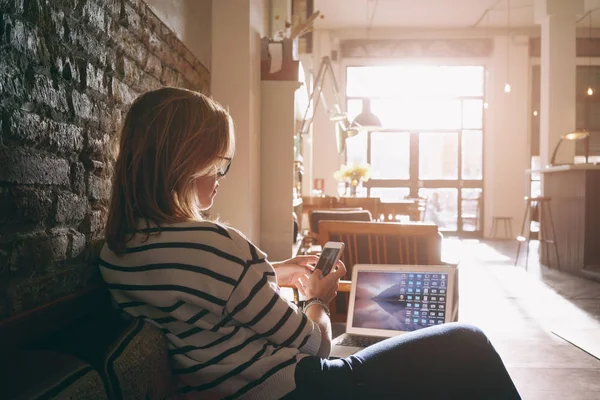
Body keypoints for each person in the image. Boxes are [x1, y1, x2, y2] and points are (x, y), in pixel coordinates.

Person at [100, 87, 521, 400]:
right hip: (293, 389)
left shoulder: (118, 252)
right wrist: (316, 299)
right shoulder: (214, 244)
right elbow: (315, 342)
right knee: (468, 342)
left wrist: (271, 271)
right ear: (187, 162)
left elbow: (198, 297)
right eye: (218, 163)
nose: (220, 177)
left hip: (223, 389)